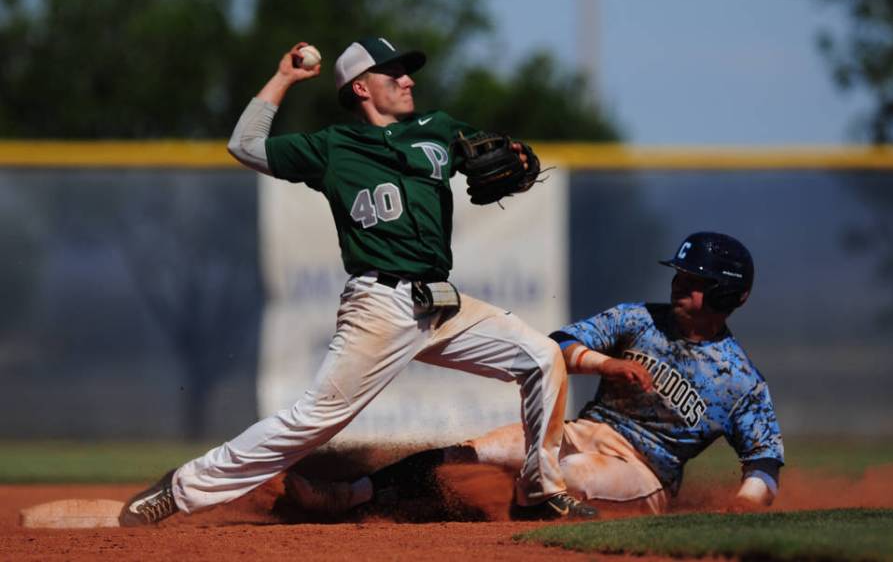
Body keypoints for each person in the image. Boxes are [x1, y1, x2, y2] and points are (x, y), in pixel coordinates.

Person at [118, 37, 596, 526]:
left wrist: (512, 158)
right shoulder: (332, 147)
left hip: (441, 305)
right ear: (362, 88)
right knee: (313, 420)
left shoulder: (438, 129)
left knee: (542, 358)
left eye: (408, 72)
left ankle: (541, 490)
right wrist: (284, 76)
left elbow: (494, 154)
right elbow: (243, 145)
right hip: (380, 306)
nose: (408, 80)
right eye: (395, 73)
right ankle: (178, 490)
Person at [285, 232, 785, 517]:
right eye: (680, 275)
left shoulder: (741, 381)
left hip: (644, 472)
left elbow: (763, 461)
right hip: (584, 431)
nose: (682, 285)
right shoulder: (639, 319)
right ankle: (348, 495)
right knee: (475, 451)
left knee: (557, 479)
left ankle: (510, 535)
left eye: (697, 282)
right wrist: (607, 363)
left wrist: (747, 500)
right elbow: (558, 345)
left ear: (728, 295)